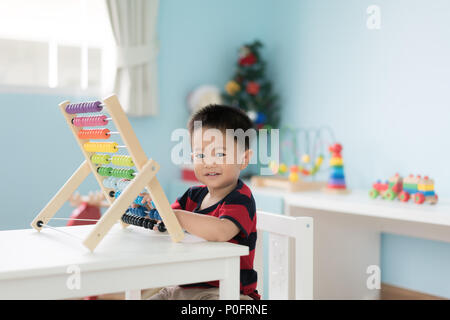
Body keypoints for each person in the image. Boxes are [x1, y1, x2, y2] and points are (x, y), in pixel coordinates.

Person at [142, 104, 260, 300]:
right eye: (201, 155)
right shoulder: (192, 196)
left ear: (244, 159)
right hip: (181, 289)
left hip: (226, 291)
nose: (209, 162)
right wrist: (151, 206)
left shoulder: (241, 198)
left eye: (220, 154)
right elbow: (165, 223)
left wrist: (178, 216)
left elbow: (221, 231)